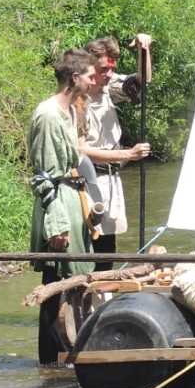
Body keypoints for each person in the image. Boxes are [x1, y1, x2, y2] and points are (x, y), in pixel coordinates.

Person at [29, 48, 98, 363]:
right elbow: (45, 175)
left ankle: (71, 354)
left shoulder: (70, 111)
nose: (93, 80)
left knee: (74, 284)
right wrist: (56, 223)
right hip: (57, 203)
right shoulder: (47, 114)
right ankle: (49, 363)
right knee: (55, 284)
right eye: (89, 75)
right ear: (75, 78)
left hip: (71, 199)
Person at [79, 35, 152, 268]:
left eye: (112, 69)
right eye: (103, 69)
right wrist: (128, 154)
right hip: (86, 179)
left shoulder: (108, 88)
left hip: (111, 179)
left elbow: (142, 81)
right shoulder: (76, 99)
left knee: (107, 250)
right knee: (89, 244)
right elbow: (82, 151)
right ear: (87, 67)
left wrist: (144, 52)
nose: (109, 74)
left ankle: (102, 297)